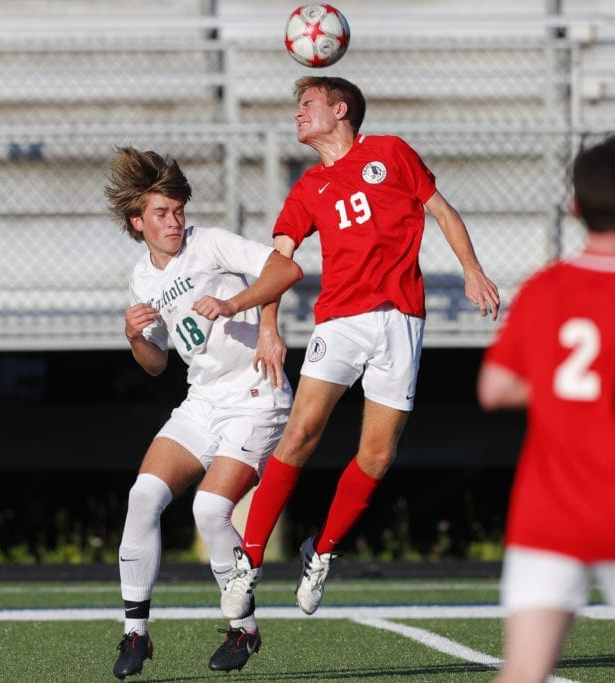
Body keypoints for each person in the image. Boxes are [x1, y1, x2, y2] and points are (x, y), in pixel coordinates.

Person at [221, 76, 501, 620]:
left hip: (401, 322)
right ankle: (248, 563)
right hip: (340, 323)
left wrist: (472, 271)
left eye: (307, 104)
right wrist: (270, 326)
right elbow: (277, 262)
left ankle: (320, 552)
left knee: (377, 454)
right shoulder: (307, 188)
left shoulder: (391, 153)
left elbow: (441, 211)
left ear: (340, 108)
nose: (298, 114)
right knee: (300, 433)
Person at [105, 146, 303, 679]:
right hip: (203, 399)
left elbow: (286, 268)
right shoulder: (141, 278)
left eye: (177, 212)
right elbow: (154, 363)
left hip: (255, 394)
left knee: (208, 512)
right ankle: (135, 634)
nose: (173, 222)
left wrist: (244, 311)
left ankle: (245, 628)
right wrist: (132, 336)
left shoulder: (210, 243)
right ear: (137, 222)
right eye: (161, 215)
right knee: (142, 497)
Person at [477, 136, 615, 682]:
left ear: (575, 206)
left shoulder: (547, 286)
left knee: (523, 674)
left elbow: (495, 389)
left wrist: (565, 390)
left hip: (552, 510)